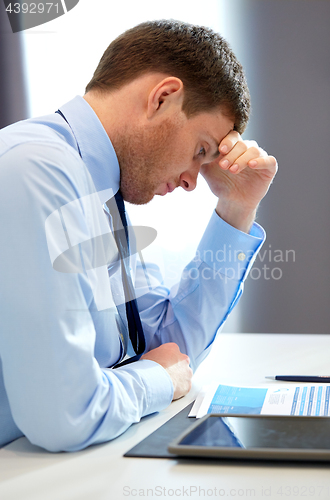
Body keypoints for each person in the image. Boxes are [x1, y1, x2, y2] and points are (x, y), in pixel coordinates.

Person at [0, 20, 277, 452]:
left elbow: (169, 350)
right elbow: (65, 417)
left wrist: (236, 207)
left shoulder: (107, 192)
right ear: (162, 98)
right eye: (201, 150)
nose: (193, 180)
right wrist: (155, 381)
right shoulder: (39, 172)